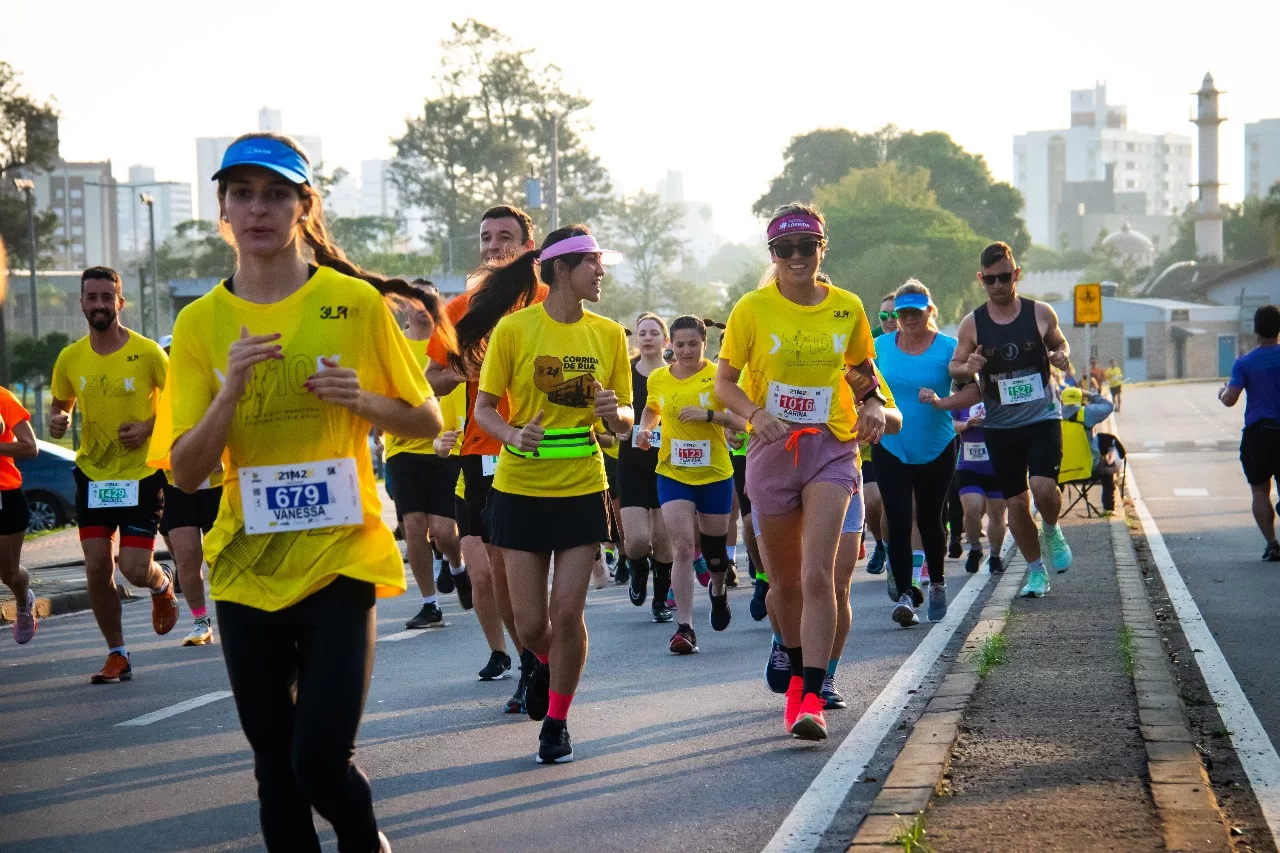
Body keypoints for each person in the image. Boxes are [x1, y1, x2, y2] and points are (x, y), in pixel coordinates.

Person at [165, 132, 446, 853]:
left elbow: (426, 417)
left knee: (318, 759)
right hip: (246, 565)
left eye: (276, 194)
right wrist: (229, 390)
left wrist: (362, 400)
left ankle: (365, 840)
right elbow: (185, 471)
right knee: (275, 771)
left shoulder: (353, 303)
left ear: (303, 206)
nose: (258, 208)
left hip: (339, 556)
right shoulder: (199, 324)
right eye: (243, 194)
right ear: (223, 207)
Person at [716, 203, 885, 742]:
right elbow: (724, 382)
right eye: (785, 249)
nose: (796, 258)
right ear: (773, 255)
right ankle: (793, 677)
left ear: (821, 250)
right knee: (783, 584)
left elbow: (863, 371)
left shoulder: (847, 307)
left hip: (832, 449)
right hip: (771, 449)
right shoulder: (752, 308)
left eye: (806, 247)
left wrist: (876, 402)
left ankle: (812, 694)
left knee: (819, 575)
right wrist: (755, 413)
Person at [473, 225, 632, 764]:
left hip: (584, 486)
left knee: (567, 615)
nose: (602, 271)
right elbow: (485, 408)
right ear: (563, 268)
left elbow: (623, 424)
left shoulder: (609, 334)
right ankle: (540, 662)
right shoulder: (514, 330)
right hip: (520, 489)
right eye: (593, 262)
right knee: (531, 623)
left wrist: (617, 417)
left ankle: (558, 723)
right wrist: (513, 434)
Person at [426, 204, 543, 707]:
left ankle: (540, 657)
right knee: (486, 573)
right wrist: (467, 369)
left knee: (524, 574)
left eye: (505, 236)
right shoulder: (460, 310)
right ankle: (526, 663)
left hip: (539, 450)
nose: (495, 245)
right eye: (487, 237)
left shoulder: (545, 302)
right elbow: (431, 378)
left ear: (526, 245)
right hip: (481, 453)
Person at [50, 266, 176, 683]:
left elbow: (180, 407)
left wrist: (146, 428)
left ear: (120, 303)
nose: (100, 304)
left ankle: (161, 585)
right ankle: (117, 653)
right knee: (96, 568)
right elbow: (61, 402)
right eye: (93, 297)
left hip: (140, 476)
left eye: (108, 297)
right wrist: (60, 418)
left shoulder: (148, 354)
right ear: (82, 303)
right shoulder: (70, 358)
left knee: (134, 569)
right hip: (93, 475)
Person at [950, 241, 1072, 599]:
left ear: (1016, 274)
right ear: (981, 280)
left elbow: (1061, 344)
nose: (999, 285)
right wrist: (967, 366)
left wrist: (1061, 356)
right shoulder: (973, 323)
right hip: (1000, 425)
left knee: (1043, 487)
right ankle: (1036, 572)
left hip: (1042, 417)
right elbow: (955, 366)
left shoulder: (1041, 313)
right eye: (991, 280)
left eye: (1005, 277)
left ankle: (1050, 527)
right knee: (1016, 503)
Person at [635, 316, 746, 654]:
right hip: (672, 472)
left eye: (692, 344)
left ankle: (717, 590)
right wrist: (644, 428)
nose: (685, 351)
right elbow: (652, 409)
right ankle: (684, 628)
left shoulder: (719, 377)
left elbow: (744, 420)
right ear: (671, 344)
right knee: (683, 546)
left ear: (704, 344)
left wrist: (711, 416)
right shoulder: (658, 378)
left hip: (714, 473)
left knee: (714, 556)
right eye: (679, 345)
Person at [873, 281, 961, 625]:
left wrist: (942, 402)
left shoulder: (949, 348)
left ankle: (936, 583)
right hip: (891, 444)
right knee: (896, 517)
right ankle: (907, 593)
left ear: (929, 311)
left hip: (936, 445)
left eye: (915, 311)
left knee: (929, 518)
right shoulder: (879, 347)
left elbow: (975, 392)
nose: (909, 318)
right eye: (903, 312)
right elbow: (856, 384)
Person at [388, 279, 469, 630]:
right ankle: (430, 603)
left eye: (427, 299)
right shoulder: (392, 344)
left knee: (445, 532)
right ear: (403, 306)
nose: (420, 305)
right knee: (413, 526)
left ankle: (457, 566)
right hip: (403, 447)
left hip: (447, 445)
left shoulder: (450, 341)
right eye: (413, 300)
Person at [150, 335, 223, 647]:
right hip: (178, 483)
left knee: (223, 556)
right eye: (167, 354)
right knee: (187, 555)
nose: (172, 359)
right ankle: (200, 621)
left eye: (175, 353)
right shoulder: (164, 393)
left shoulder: (211, 378)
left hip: (218, 484)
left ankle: (239, 614)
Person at [616, 312, 674, 622]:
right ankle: (638, 568)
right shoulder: (625, 374)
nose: (648, 338)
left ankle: (660, 600)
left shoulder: (675, 375)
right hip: (631, 464)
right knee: (637, 541)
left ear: (666, 341)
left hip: (668, 465)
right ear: (638, 339)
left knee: (664, 542)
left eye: (654, 333)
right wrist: (618, 428)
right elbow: (611, 414)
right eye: (643, 333)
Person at [1219, 305, 1280, 561]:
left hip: (1259, 434)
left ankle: (1272, 544)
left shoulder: (1244, 363)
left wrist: (1222, 392)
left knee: (1259, 491)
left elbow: (1230, 399)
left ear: (1255, 330)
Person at [951, 400, 1008, 574]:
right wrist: (967, 423)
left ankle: (995, 556)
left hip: (996, 466)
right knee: (971, 508)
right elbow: (950, 425)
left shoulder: (998, 398)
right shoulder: (962, 399)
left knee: (997, 514)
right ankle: (975, 548)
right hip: (969, 466)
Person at [0, 385, 38, 644]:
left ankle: (24, 602)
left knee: (9, 573)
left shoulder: (3, 398)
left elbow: (30, 447)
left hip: (5, 496)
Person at [864, 293, 898, 576]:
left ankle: (912, 560)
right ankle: (880, 543)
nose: (889, 321)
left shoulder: (927, 343)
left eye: (894, 315)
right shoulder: (871, 346)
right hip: (872, 438)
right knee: (874, 502)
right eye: (883, 316)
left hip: (906, 434)